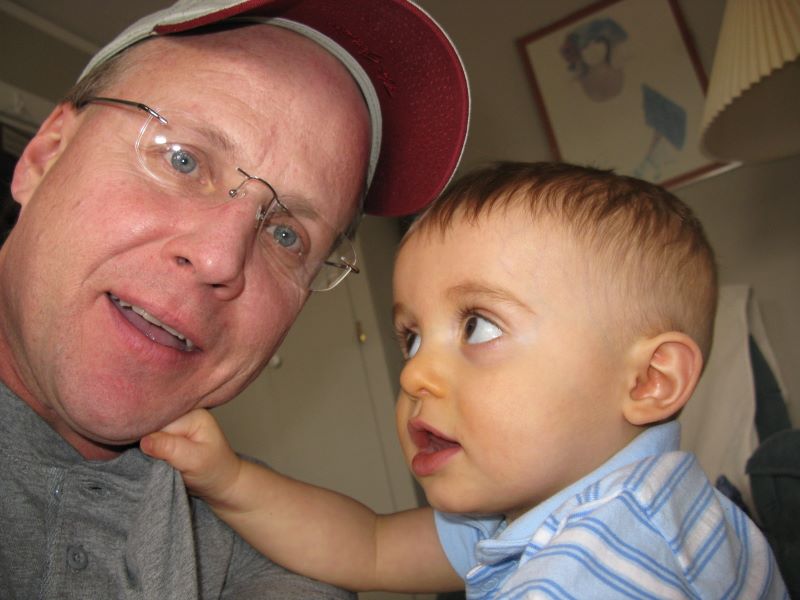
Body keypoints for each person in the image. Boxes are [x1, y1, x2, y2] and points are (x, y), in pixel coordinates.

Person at [143, 161, 788, 598]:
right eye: (412, 337)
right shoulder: (547, 504)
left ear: (648, 380)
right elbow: (369, 547)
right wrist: (231, 480)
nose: (415, 372)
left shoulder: (608, 562)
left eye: (477, 326)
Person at [0, 0, 469, 597]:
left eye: (286, 235)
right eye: (183, 160)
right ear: (44, 156)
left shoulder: (294, 557)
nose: (221, 259)